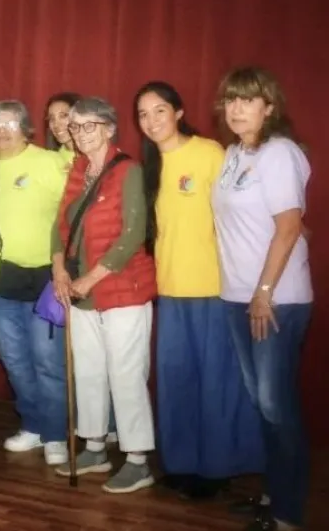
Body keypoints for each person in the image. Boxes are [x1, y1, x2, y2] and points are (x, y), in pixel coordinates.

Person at [134, 81, 263, 500]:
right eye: (143, 114)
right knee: (176, 380)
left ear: (179, 111)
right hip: (171, 288)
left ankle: (216, 466)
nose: (151, 121)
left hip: (213, 287)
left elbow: (242, 214)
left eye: (159, 111)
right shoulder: (149, 165)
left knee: (216, 381)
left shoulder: (209, 154)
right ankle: (181, 462)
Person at [212, 67, 312, 531]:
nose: (237, 108)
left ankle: (289, 513)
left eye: (248, 100)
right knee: (262, 402)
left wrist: (264, 293)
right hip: (237, 295)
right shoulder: (234, 154)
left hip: (276, 298)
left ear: (268, 107)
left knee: (276, 404)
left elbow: (289, 226)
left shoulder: (280, 154)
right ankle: (274, 496)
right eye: (231, 100)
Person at [50, 97, 157, 494]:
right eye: (74, 127)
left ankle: (137, 459)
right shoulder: (78, 170)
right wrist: (60, 270)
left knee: (126, 375)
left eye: (88, 126)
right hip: (80, 291)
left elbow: (132, 235)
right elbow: (59, 227)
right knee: (89, 371)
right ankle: (94, 446)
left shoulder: (128, 170)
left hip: (121, 289)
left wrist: (87, 280)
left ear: (110, 128)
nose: (80, 134)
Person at [0, 100, 69, 465]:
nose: (2, 129)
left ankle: (56, 433)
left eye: (11, 122)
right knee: (13, 359)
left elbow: (71, 216)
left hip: (45, 278)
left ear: (27, 128)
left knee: (48, 360)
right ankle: (33, 424)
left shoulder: (47, 162)